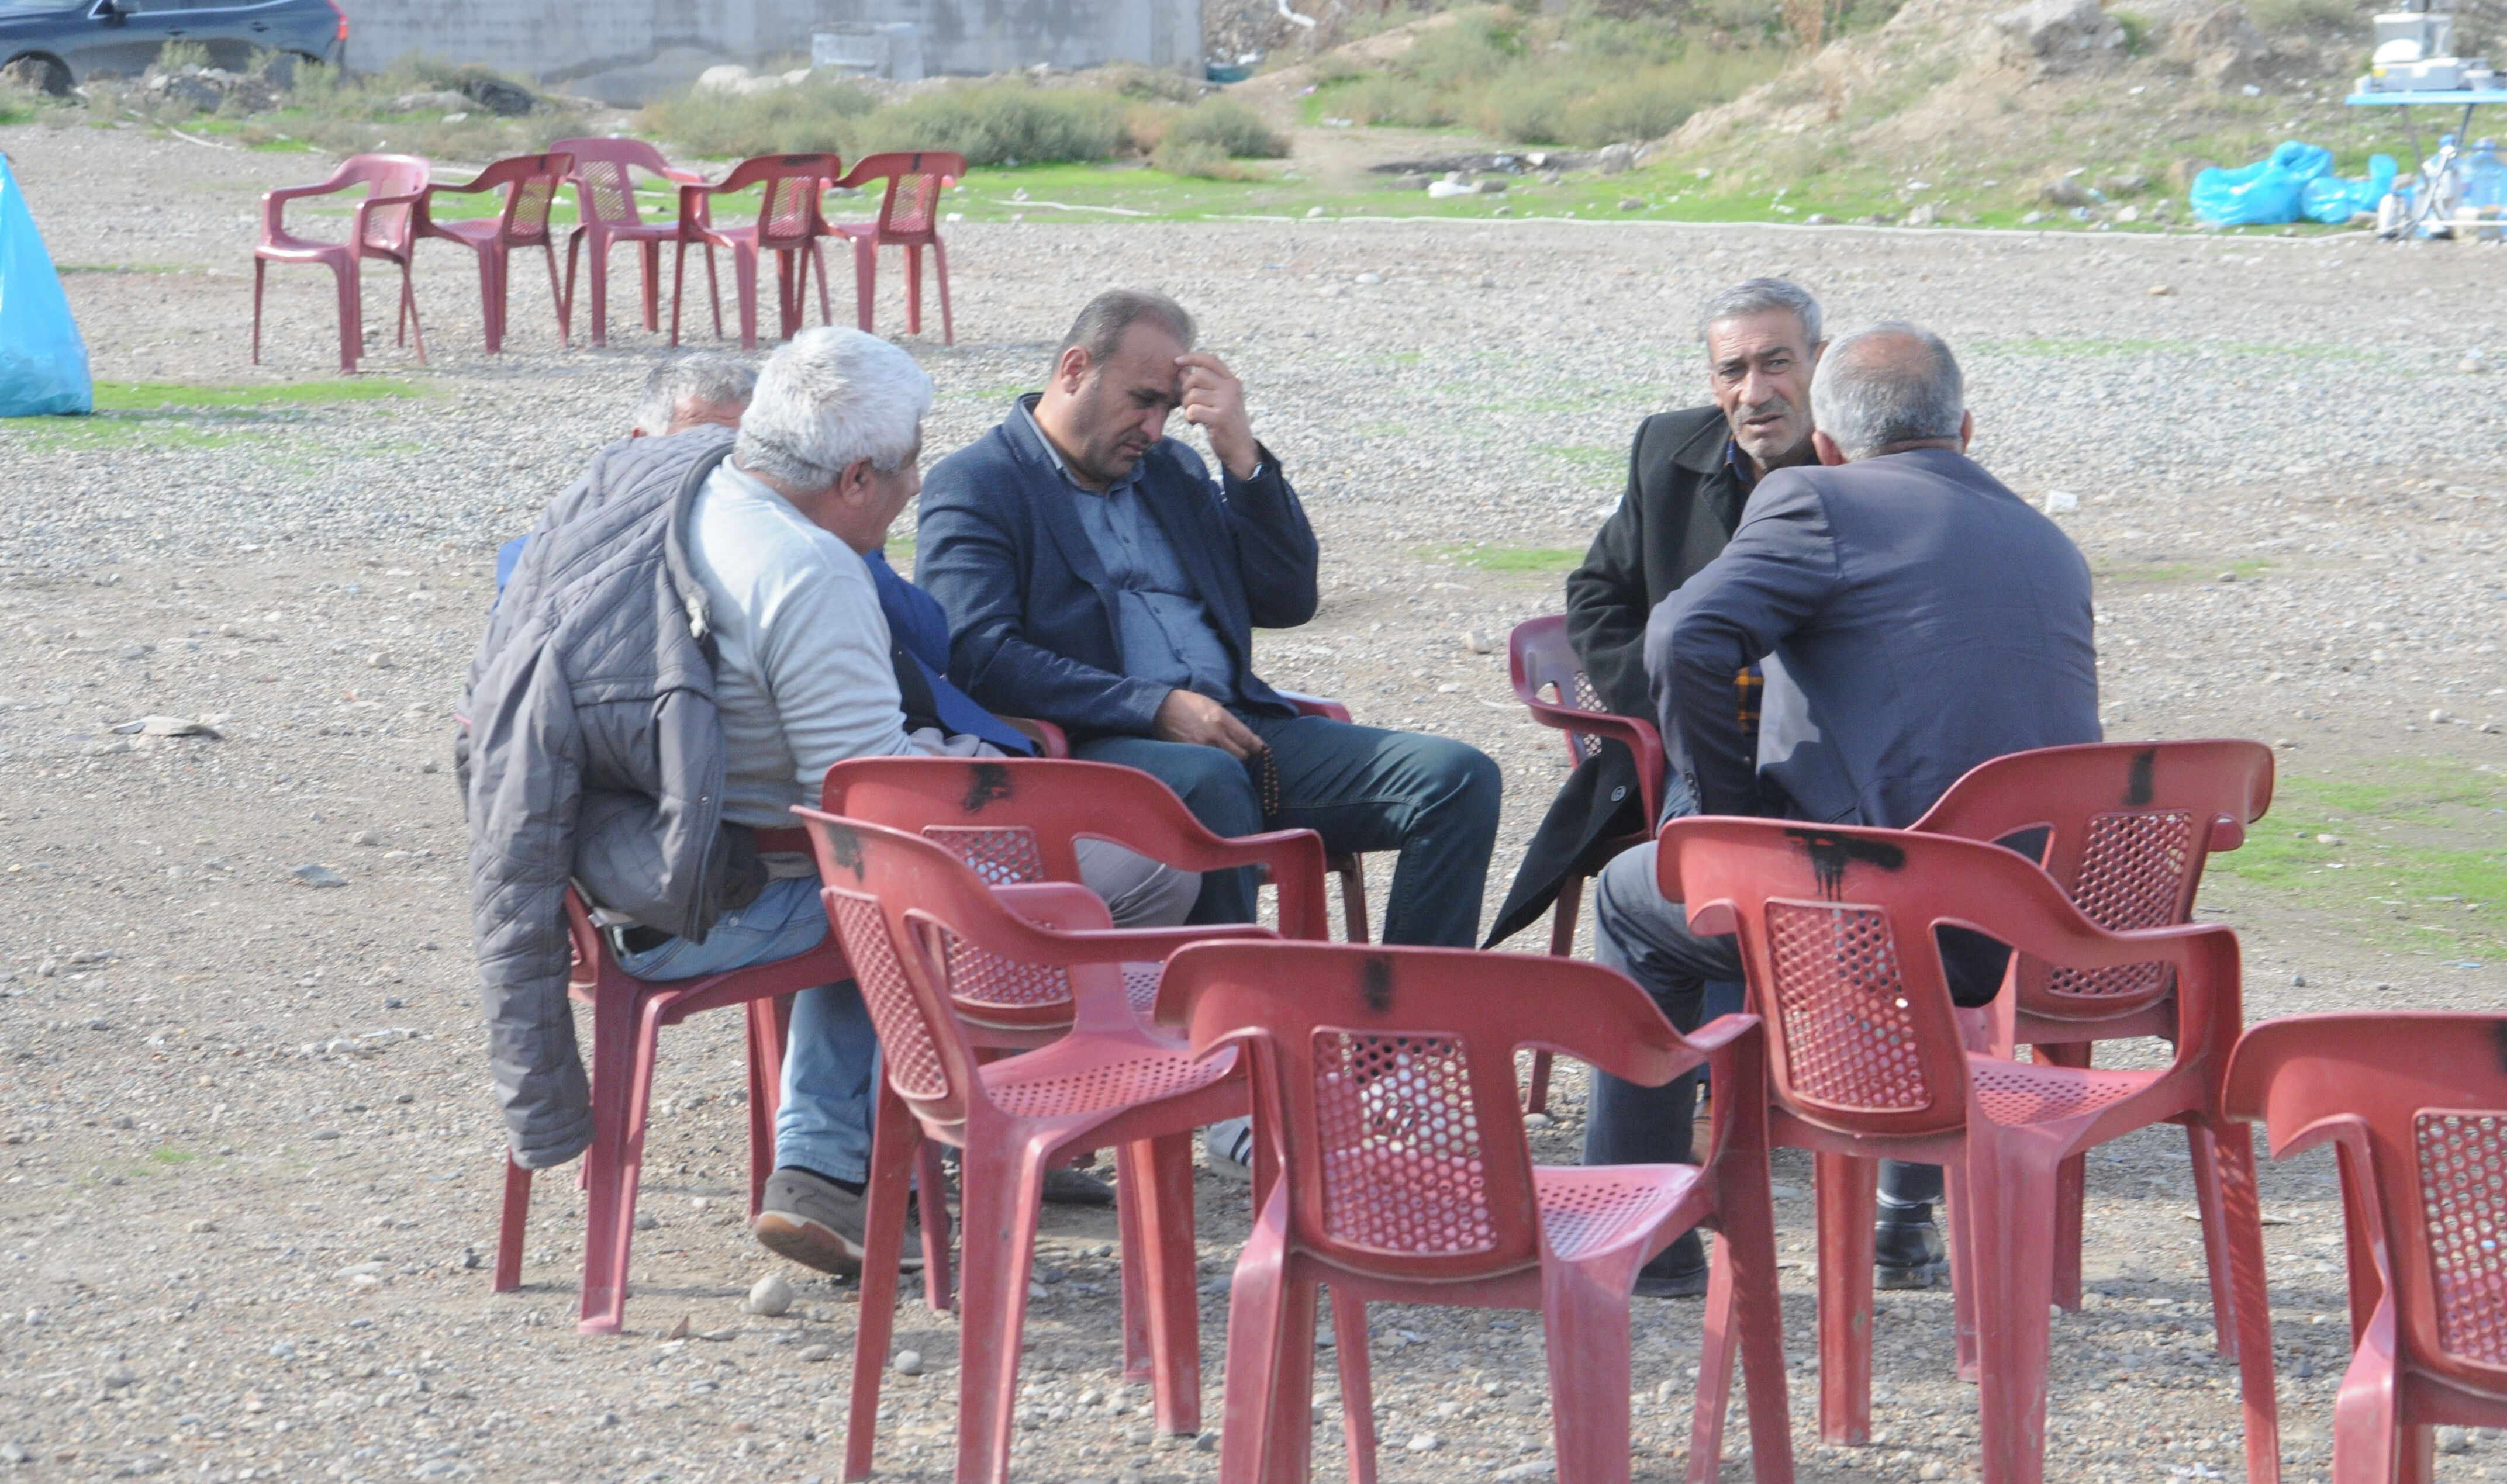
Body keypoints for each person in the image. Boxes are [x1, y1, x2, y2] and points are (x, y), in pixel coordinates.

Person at [627, 328, 1196, 1274]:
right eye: (909, 462)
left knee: (869, 879)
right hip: (722, 892)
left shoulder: (694, 500)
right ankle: (989, 1120)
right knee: (1126, 872)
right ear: (855, 479)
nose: (919, 484)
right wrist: (987, 775)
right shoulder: (807, 568)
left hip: (631, 863)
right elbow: (876, 806)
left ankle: (839, 1159)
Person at [1585, 321, 2100, 1296]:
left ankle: (1644, 1237)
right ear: (1966, 428)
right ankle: (1903, 1214)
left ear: (1824, 444)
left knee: (1628, 893)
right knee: (1917, 839)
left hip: (1886, 921)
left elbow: (1680, 638)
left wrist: (1728, 828)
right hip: (2043, 928)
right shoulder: (2050, 541)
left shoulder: (1815, 497)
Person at [917, 290, 1503, 946]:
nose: (1154, 429)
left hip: (1236, 729)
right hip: (1095, 748)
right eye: (1142, 400)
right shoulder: (979, 482)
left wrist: (1242, 458)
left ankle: (1407, 1008)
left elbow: (1287, 600)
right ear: (1075, 369)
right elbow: (979, 655)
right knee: (1210, 780)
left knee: (1457, 778)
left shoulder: (1173, 470)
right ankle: (1231, 1006)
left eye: (1169, 409)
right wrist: (1154, 706)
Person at [1488, 278, 1825, 950]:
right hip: (1697, 748)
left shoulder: (1865, 457)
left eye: (1776, 363)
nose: (1754, 392)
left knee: (1826, 893)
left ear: (1821, 361)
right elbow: (1596, 596)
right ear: (1712, 381)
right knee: (1713, 893)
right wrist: (1674, 704)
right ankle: (1714, 1024)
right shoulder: (1666, 449)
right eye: (1733, 370)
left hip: (1827, 747)